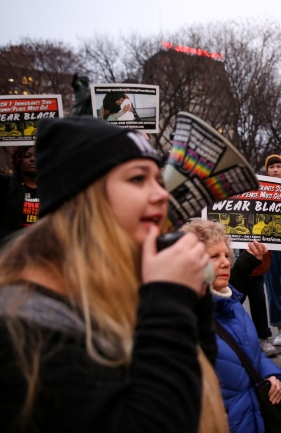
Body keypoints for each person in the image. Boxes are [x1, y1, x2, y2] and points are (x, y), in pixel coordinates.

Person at [0, 117, 227, 432]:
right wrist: (168, 301)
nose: (162, 194)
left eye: (158, 181)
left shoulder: (117, 288)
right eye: (137, 179)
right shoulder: (22, 327)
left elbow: (187, 385)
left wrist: (194, 301)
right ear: (85, 198)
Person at [181, 220, 281, 433]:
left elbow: (253, 356)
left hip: (255, 418)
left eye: (226, 255)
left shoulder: (233, 304)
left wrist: (271, 376)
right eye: (213, 257)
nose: (226, 263)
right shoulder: (182, 318)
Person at [263, 154, 281, 345]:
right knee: (272, 289)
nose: (275, 169)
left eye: (278, 166)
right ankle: (280, 329)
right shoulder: (260, 189)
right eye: (271, 167)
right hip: (269, 244)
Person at [0, 146, 39, 242]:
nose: (33, 159)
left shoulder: (51, 187)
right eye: (27, 156)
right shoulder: (6, 183)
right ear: (18, 160)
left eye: (38, 156)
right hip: (11, 248)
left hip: (40, 248)